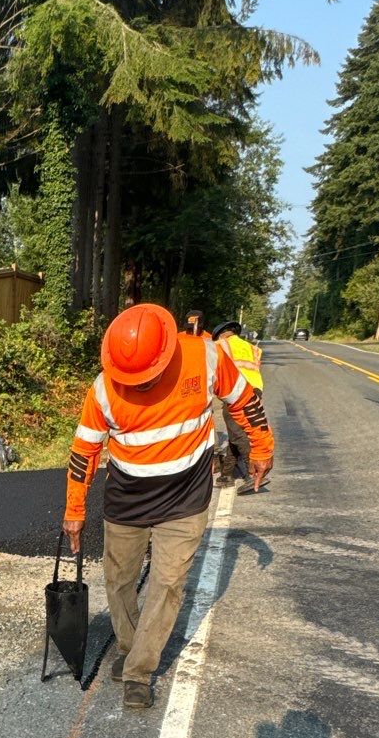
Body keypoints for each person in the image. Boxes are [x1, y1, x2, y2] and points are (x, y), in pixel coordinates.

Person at [64, 303, 272, 711]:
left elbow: (244, 400)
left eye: (144, 379)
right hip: (127, 497)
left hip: (185, 497)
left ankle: (139, 670)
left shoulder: (206, 356)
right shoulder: (104, 388)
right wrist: (74, 510)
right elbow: (83, 450)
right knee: (119, 579)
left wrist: (261, 446)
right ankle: (129, 645)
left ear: (165, 355)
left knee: (167, 582)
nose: (136, 386)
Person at [211, 317, 265, 483]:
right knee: (236, 431)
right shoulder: (252, 348)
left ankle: (253, 474)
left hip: (237, 392)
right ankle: (227, 473)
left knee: (237, 433)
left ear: (221, 335)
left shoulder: (220, 346)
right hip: (255, 391)